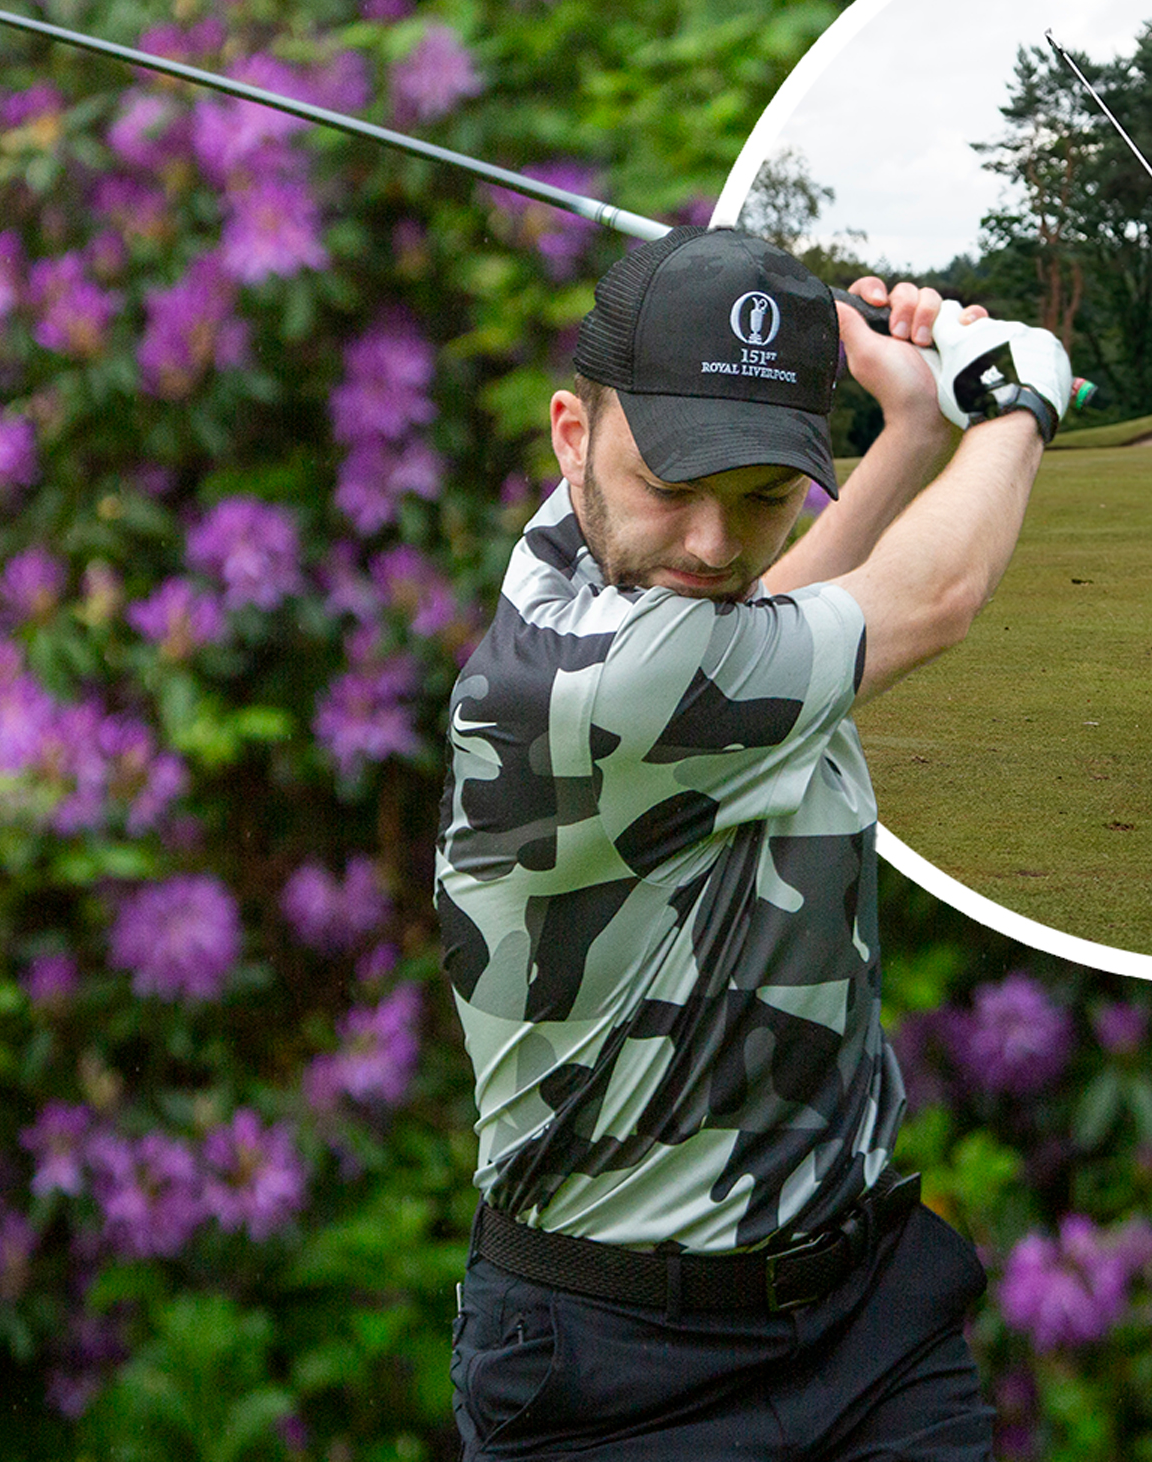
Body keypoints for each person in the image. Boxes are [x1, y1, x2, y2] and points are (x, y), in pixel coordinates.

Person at [433, 225, 1077, 1460]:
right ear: (572, 433)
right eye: (674, 487)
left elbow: (759, 622)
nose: (716, 545)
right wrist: (1018, 391)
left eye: (764, 494)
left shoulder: (590, 566)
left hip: (863, 1313)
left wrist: (907, 433)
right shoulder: (585, 684)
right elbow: (931, 598)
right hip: (612, 1372)